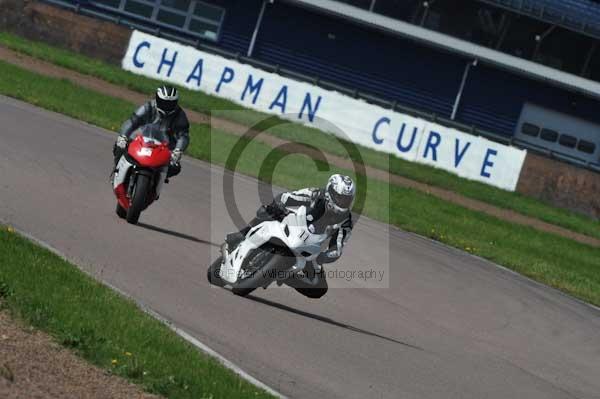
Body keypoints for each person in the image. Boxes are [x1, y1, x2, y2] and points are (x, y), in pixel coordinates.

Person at [224, 174, 356, 298]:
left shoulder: (346, 220)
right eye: (340, 198)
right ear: (330, 193)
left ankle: (285, 276)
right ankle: (241, 234)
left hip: (311, 248)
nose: (343, 202)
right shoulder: (315, 194)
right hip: (294, 224)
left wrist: (324, 257)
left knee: (320, 288)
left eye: (347, 199)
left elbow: (338, 247)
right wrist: (277, 207)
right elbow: (287, 197)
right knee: (266, 211)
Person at [112, 85, 190, 178]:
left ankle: (157, 180)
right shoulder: (148, 107)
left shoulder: (179, 115)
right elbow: (131, 122)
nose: (166, 106)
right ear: (157, 99)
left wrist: (178, 151)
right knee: (119, 146)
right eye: (164, 102)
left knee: (175, 167)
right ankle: (118, 170)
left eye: (170, 103)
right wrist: (123, 137)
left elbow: (183, 136)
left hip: (165, 147)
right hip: (141, 139)